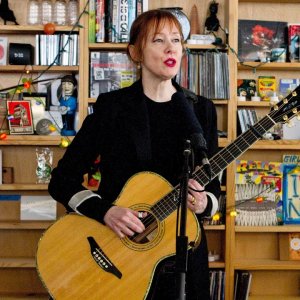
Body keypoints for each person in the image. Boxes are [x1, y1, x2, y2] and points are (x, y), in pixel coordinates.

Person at [49, 9, 221, 300]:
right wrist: (106, 212)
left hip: (184, 261)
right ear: (135, 52)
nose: (170, 48)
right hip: (119, 256)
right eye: (158, 40)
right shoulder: (112, 108)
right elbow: (61, 181)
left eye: (177, 40)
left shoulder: (201, 110)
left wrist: (205, 202)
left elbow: (215, 191)